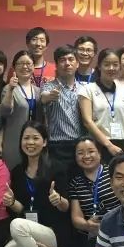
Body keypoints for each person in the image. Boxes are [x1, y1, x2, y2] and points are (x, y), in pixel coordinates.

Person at [0, 121, 71, 247]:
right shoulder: (17, 171)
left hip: (51, 233)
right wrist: (11, 202)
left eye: (35, 138)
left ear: (44, 142)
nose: (30, 142)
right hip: (27, 233)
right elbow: (21, 209)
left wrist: (58, 200)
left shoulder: (57, 167)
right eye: (26, 138)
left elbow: (66, 207)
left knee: (17, 225)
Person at [67, 137, 121, 247]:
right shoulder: (76, 183)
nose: (86, 156)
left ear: (100, 154)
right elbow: (76, 218)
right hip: (92, 237)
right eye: (80, 153)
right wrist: (88, 225)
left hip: (118, 231)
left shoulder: (113, 174)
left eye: (91, 151)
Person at [79, 48, 124, 162]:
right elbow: (87, 121)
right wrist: (109, 145)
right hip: (99, 145)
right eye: (107, 64)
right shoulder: (87, 90)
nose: (111, 68)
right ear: (99, 66)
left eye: (115, 64)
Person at [41, 45, 83, 176]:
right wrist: (50, 96)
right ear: (57, 65)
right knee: (61, 184)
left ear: (77, 64)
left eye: (71, 59)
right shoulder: (49, 86)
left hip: (80, 145)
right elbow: (44, 97)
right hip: (57, 146)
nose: (67, 63)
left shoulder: (85, 88)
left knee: (79, 183)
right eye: (62, 60)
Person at [0, 50, 42, 169]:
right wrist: (11, 90)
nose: (25, 67)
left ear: (33, 67)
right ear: (14, 67)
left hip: (34, 142)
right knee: (14, 172)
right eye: (20, 63)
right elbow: (5, 112)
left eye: (28, 63)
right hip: (14, 140)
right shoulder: (8, 89)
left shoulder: (38, 91)